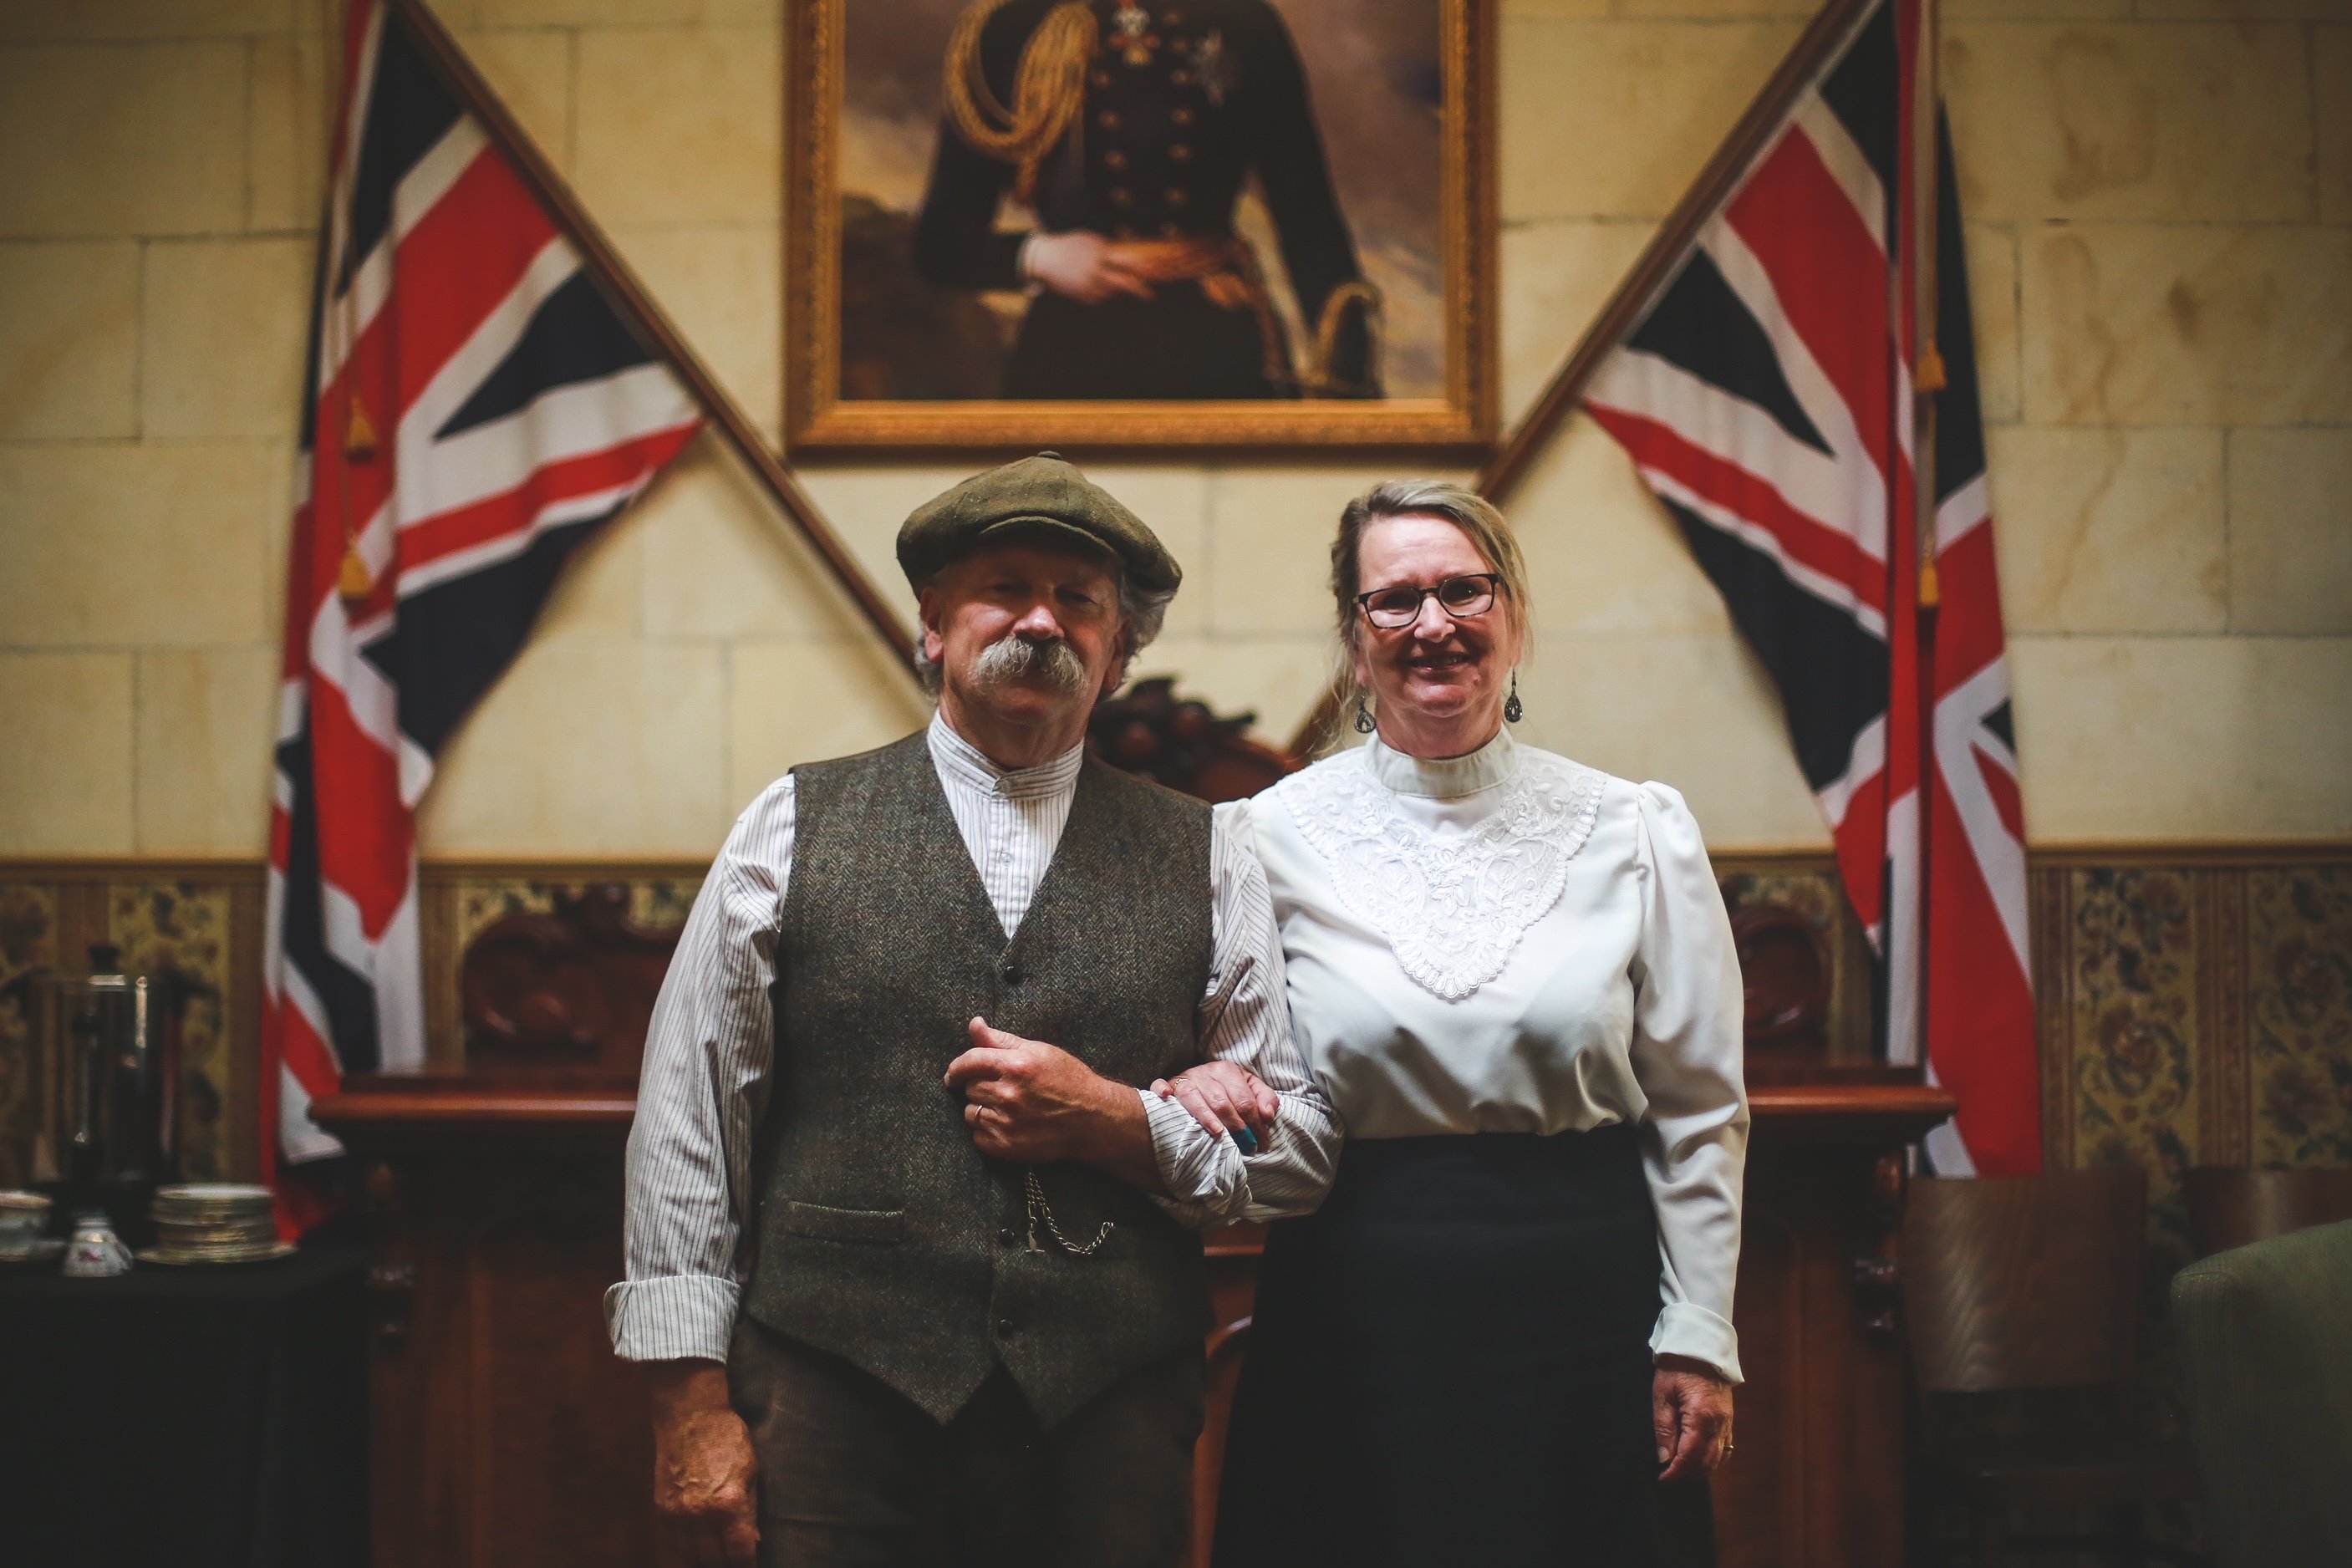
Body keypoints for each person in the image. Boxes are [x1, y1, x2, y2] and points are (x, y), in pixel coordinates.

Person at [606, 452, 1341, 1568]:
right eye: (1005, 586)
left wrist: (1120, 1122)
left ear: (1120, 650)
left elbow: (1293, 1153)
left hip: (1111, 1413)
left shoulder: (1211, 849)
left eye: (1080, 600)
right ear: (934, 624)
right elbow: (687, 1125)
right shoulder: (793, 823)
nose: (1041, 620)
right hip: (832, 1397)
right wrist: (685, 1404)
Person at [1171, 479, 1747, 1567]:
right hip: (1352, 1300)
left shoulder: (1634, 829)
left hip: (1586, 1299)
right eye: (1394, 602)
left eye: (1462, 591)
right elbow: (1202, 1041)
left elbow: (1698, 1110)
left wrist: (1698, 1334)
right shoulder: (1259, 836)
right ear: (1354, 640)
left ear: (1514, 619)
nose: (1432, 624)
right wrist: (1190, 1077)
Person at [914, 0, 1381, 400]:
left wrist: (1346, 383)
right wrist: (1039, 256)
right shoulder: (1014, 27)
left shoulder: (1242, 21)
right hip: (1069, 355)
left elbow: (1309, 223)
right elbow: (939, 244)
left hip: (1213, 344)